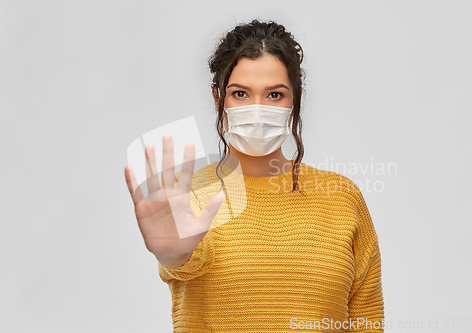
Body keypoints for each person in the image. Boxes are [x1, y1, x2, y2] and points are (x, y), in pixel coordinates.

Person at [124, 19, 384, 332]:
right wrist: (174, 255)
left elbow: (367, 320)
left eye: (274, 95)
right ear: (218, 98)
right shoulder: (186, 193)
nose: (258, 109)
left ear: (295, 99)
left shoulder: (341, 197)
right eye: (240, 94)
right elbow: (184, 261)